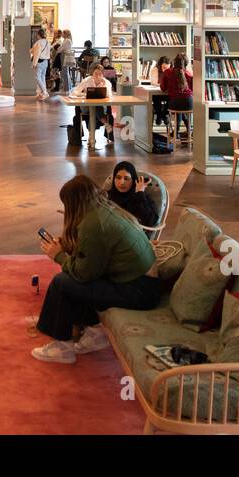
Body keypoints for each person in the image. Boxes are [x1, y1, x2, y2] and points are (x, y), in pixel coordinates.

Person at [31, 175, 160, 364]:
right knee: (75, 279)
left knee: (62, 282)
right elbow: (95, 258)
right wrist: (67, 247)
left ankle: (62, 347)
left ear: (74, 203)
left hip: (138, 291)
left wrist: (58, 255)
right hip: (144, 285)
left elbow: (83, 274)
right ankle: (94, 333)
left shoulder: (93, 225)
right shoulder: (106, 210)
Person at [69, 62, 114, 142]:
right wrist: (84, 94)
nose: (98, 76)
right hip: (86, 107)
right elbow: (74, 93)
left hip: (100, 107)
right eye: (95, 74)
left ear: (103, 74)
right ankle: (106, 124)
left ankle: (91, 137)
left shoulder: (106, 82)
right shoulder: (86, 81)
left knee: (97, 106)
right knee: (96, 107)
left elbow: (110, 96)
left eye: (100, 74)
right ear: (92, 74)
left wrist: (104, 87)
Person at [106, 160, 159, 228]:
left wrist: (140, 193)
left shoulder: (140, 197)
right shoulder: (106, 196)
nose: (122, 182)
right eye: (118, 177)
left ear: (133, 180)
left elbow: (150, 221)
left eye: (126, 178)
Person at [160, 53, 194, 143]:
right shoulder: (189, 74)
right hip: (189, 103)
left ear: (174, 62)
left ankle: (177, 132)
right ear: (186, 64)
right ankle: (188, 131)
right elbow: (193, 89)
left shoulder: (167, 72)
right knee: (182, 108)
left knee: (178, 105)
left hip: (175, 103)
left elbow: (163, 88)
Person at [30, 27, 51, 100]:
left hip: (39, 61)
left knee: (37, 77)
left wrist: (34, 63)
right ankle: (42, 93)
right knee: (42, 77)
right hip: (46, 61)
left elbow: (36, 53)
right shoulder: (48, 42)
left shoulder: (38, 42)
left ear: (38, 35)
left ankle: (45, 92)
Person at [151, 56, 171, 126]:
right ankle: (160, 115)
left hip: (167, 93)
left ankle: (163, 115)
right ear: (160, 66)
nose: (165, 70)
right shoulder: (155, 70)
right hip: (158, 93)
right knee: (156, 98)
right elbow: (154, 82)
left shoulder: (171, 71)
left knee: (171, 98)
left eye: (167, 68)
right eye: (164, 67)